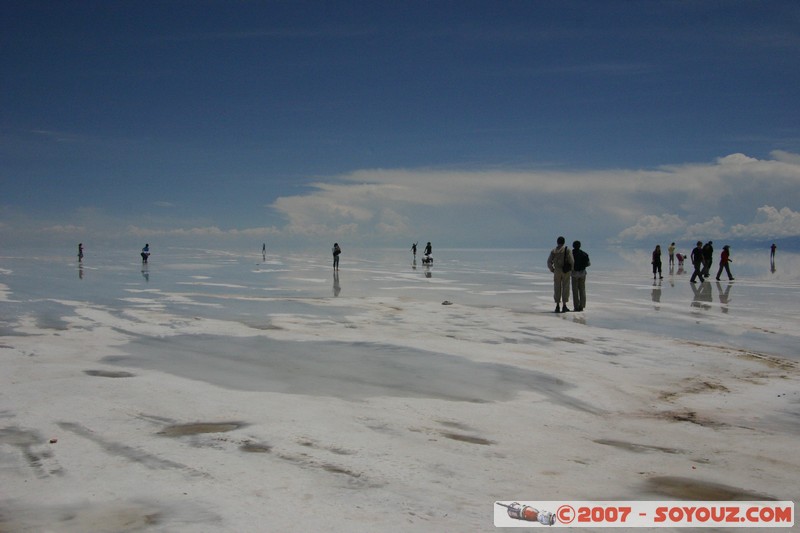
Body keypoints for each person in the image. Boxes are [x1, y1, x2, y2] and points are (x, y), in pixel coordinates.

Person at [547, 236, 573, 313]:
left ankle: (557, 305)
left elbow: (549, 262)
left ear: (557, 242)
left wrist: (552, 269)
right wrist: (571, 269)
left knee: (557, 287)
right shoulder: (567, 250)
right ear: (564, 242)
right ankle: (564, 305)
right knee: (565, 287)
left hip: (557, 271)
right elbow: (571, 261)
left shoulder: (554, 251)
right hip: (565, 271)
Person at [571, 240, 590, 312]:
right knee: (582, 289)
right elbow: (588, 264)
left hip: (574, 273)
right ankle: (582, 306)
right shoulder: (584, 254)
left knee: (575, 290)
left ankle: (576, 306)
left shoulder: (571, 253)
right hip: (582, 273)